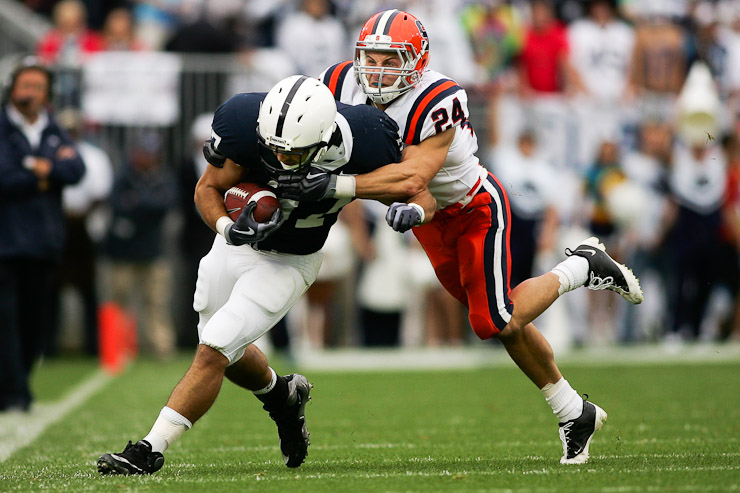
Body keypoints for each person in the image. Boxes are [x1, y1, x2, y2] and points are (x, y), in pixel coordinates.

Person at [277, 9, 644, 464]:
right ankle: (573, 411)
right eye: (371, 58)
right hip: (426, 218)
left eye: (391, 61)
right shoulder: (338, 82)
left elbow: (415, 180)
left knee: (492, 319)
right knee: (502, 321)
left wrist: (338, 187)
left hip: (472, 207)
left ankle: (582, 266)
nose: (377, 70)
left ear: (417, 61)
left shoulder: (437, 97)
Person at [96, 75, 436, 475]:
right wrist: (226, 227)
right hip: (235, 245)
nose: (279, 159)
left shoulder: (366, 137)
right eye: (271, 150)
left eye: (291, 154)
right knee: (223, 346)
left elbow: (419, 192)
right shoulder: (243, 121)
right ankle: (283, 395)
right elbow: (207, 188)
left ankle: (149, 449)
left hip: (290, 260)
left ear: (323, 140)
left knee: (216, 346)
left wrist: (371, 197)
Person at [0, 57, 86, 412]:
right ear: (12, 88)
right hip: (4, 242)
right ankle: (15, 393)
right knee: (4, 319)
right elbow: (4, 178)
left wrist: (38, 169)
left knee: (34, 320)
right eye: (25, 85)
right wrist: (47, 173)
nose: (30, 93)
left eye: (38, 86)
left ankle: (19, 385)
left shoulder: (52, 127)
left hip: (44, 242)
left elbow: (76, 169)